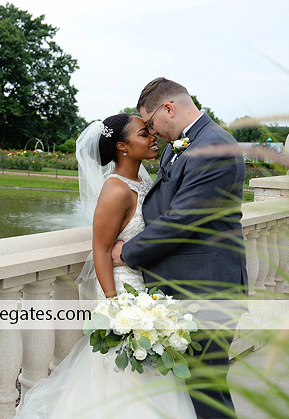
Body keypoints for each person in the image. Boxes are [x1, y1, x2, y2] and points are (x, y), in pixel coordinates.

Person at [14, 113, 197, 419]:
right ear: (122, 147)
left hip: (147, 288)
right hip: (124, 289)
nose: (153, 137)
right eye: (144, 134)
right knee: (123, 372)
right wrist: (114, 306)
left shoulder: (145, 181)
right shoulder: (116, 190)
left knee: (150, 368)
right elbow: (100, 249)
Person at [111, 77, 247, 418]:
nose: (152, 132)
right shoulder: (182, 144)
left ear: (168, 108)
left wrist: (127, 252)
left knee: (206, 390)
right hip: (183, 289)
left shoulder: (215, 147)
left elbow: (181, 221)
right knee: (187, 391)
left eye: (151, 121)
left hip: (207, 291)